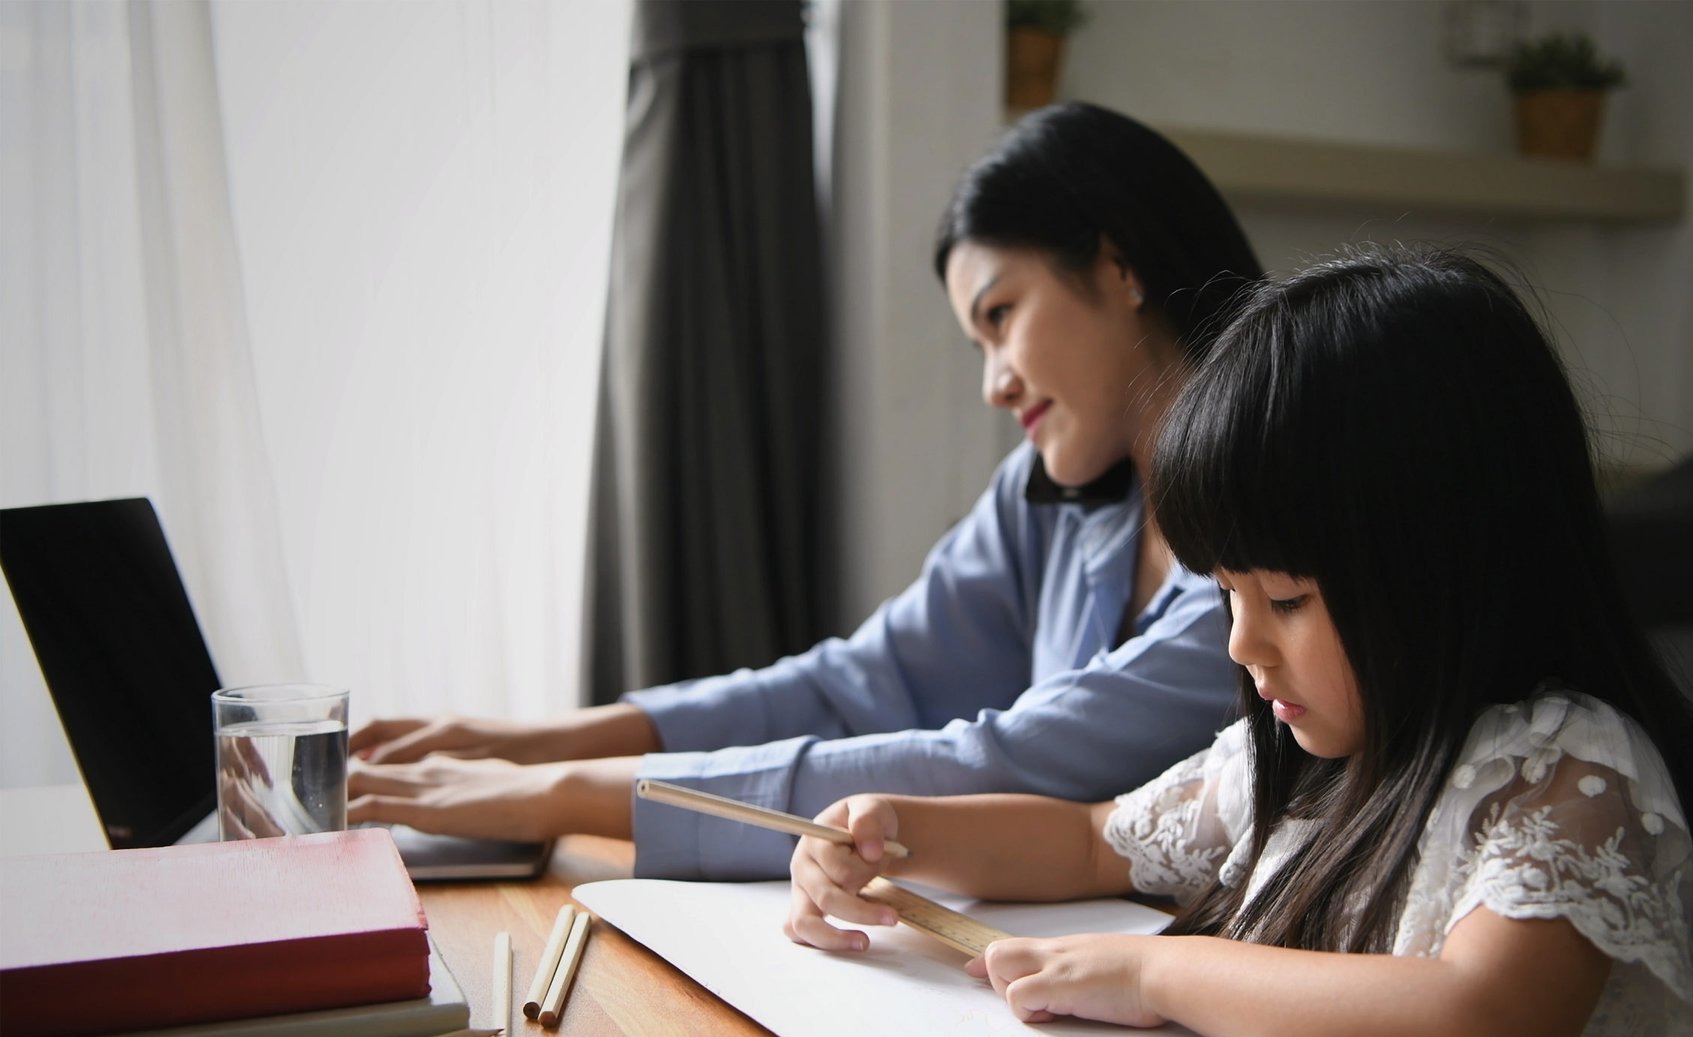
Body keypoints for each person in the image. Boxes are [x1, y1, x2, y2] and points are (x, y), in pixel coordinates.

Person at [785, 247, 1693, 1037]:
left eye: (1286, 599)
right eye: (1229, 593)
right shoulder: (1302, 758)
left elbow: (1478, 1030)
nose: (1242, 643)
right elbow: (1092, 842)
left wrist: (1157, 975)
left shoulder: (1574, 777)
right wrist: (899, 833)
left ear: (1450, 564)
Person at [345, 102, 1265, 879]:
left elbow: (1004, 766)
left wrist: (569, 796)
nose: (994, 384)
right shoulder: (1047, 501)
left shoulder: (1275, 524)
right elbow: (858, 686)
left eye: (1000, 316)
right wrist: (541, 740)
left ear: (1117, 264)